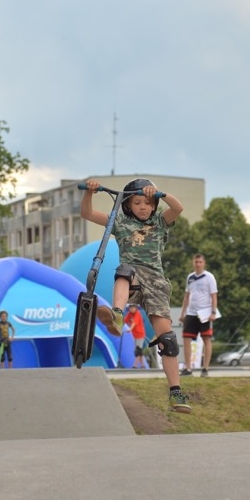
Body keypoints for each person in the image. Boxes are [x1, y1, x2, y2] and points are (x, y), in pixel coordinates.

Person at [81, 177, 191, 413]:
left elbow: (178, 208)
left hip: (156, 283)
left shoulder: (161, 222)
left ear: (154, 205)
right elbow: (88, 214)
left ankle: (175, 392)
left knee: (168, 339)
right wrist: (89, 192)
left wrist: (160, 193)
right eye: (138, 202)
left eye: (148, 203)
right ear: (128, 205)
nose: (143, 207)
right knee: (124, 271)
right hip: (133, 278)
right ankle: (117, 314)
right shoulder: (119, 223)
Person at [179, 253, 218, 377]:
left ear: (204, 263)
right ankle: (188, 368)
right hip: (191, 312)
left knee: (206, 339)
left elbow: (214, 295)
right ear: (193, 263)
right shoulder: (190, 277)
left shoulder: (209, 277)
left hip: (204, 312)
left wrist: (213, 311)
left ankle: (205, 368)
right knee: (186, 339)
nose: (198, 264)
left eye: (200, 262)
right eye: (196, 262)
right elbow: (187, 295)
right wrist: (183, 313)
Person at [125, 303, 146, 368]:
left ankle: (135, 365)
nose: (132, 309)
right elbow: (125, 320)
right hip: (134, 335)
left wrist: (130, 329)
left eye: (133, 307)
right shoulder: (129, 314)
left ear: (136, 308)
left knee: (138, 350)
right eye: (131, 307)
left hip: (140, 335)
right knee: (139, 350)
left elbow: (134, 323)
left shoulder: (137, 314)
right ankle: (142, 365)